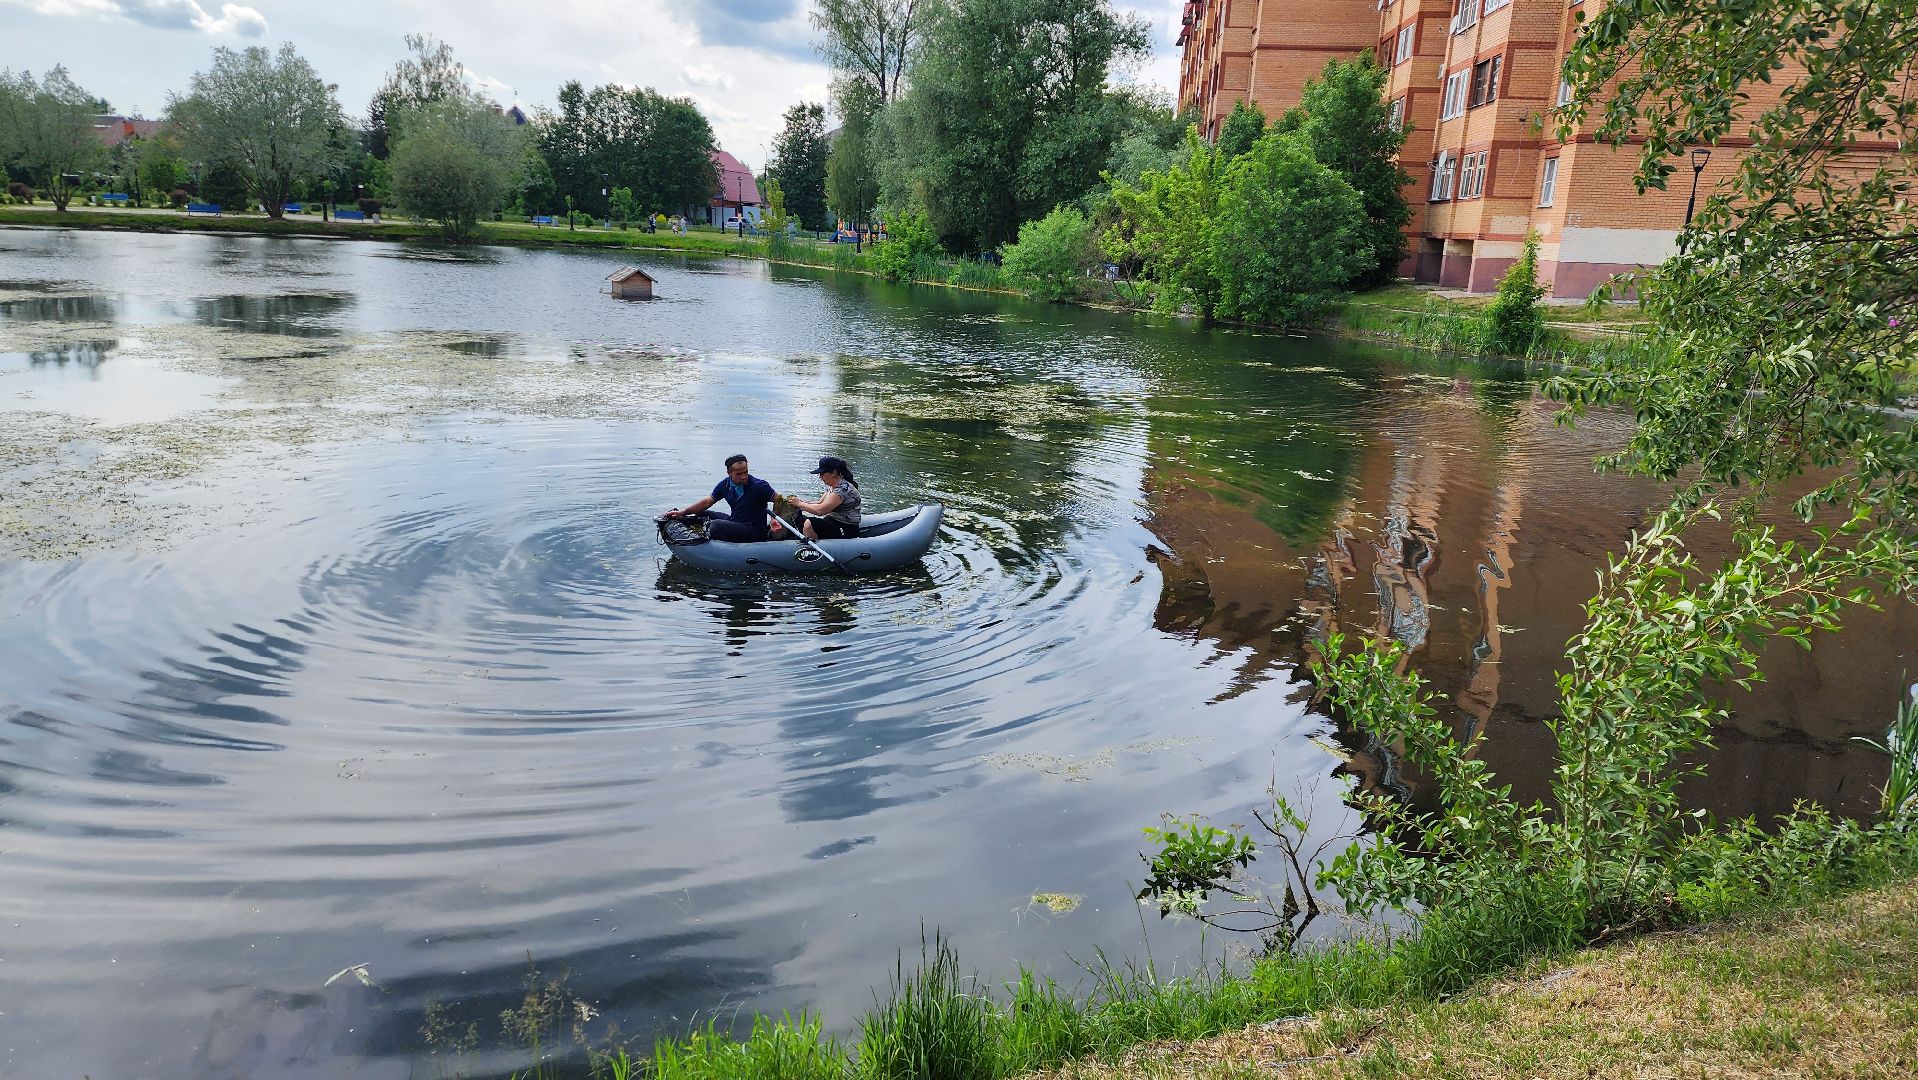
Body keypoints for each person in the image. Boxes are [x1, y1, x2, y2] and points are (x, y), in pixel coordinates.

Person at [666, 454, 779, 543]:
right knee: (702, 514)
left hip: (754, 530)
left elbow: (779, 500)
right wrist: (683, 512)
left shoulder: (759, 486)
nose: (744, 476)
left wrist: (774, 518)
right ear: (729, 473)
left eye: (745, 472)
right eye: (739, 474)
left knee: (715, 526)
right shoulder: (725, 485)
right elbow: (707, 502)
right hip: (735, 521)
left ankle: (719, 546)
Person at [786, 456, 863, 540]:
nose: (820, 477)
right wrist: (801, 503)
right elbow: (819, 503)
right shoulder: (833, 486)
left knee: (809, 523)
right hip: (832, 521)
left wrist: (800, 504)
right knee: (801, 521)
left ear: (833, 472)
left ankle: (811, 549)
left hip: (845, 528)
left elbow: (820, 510)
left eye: (822, 474)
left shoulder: (842, 490)